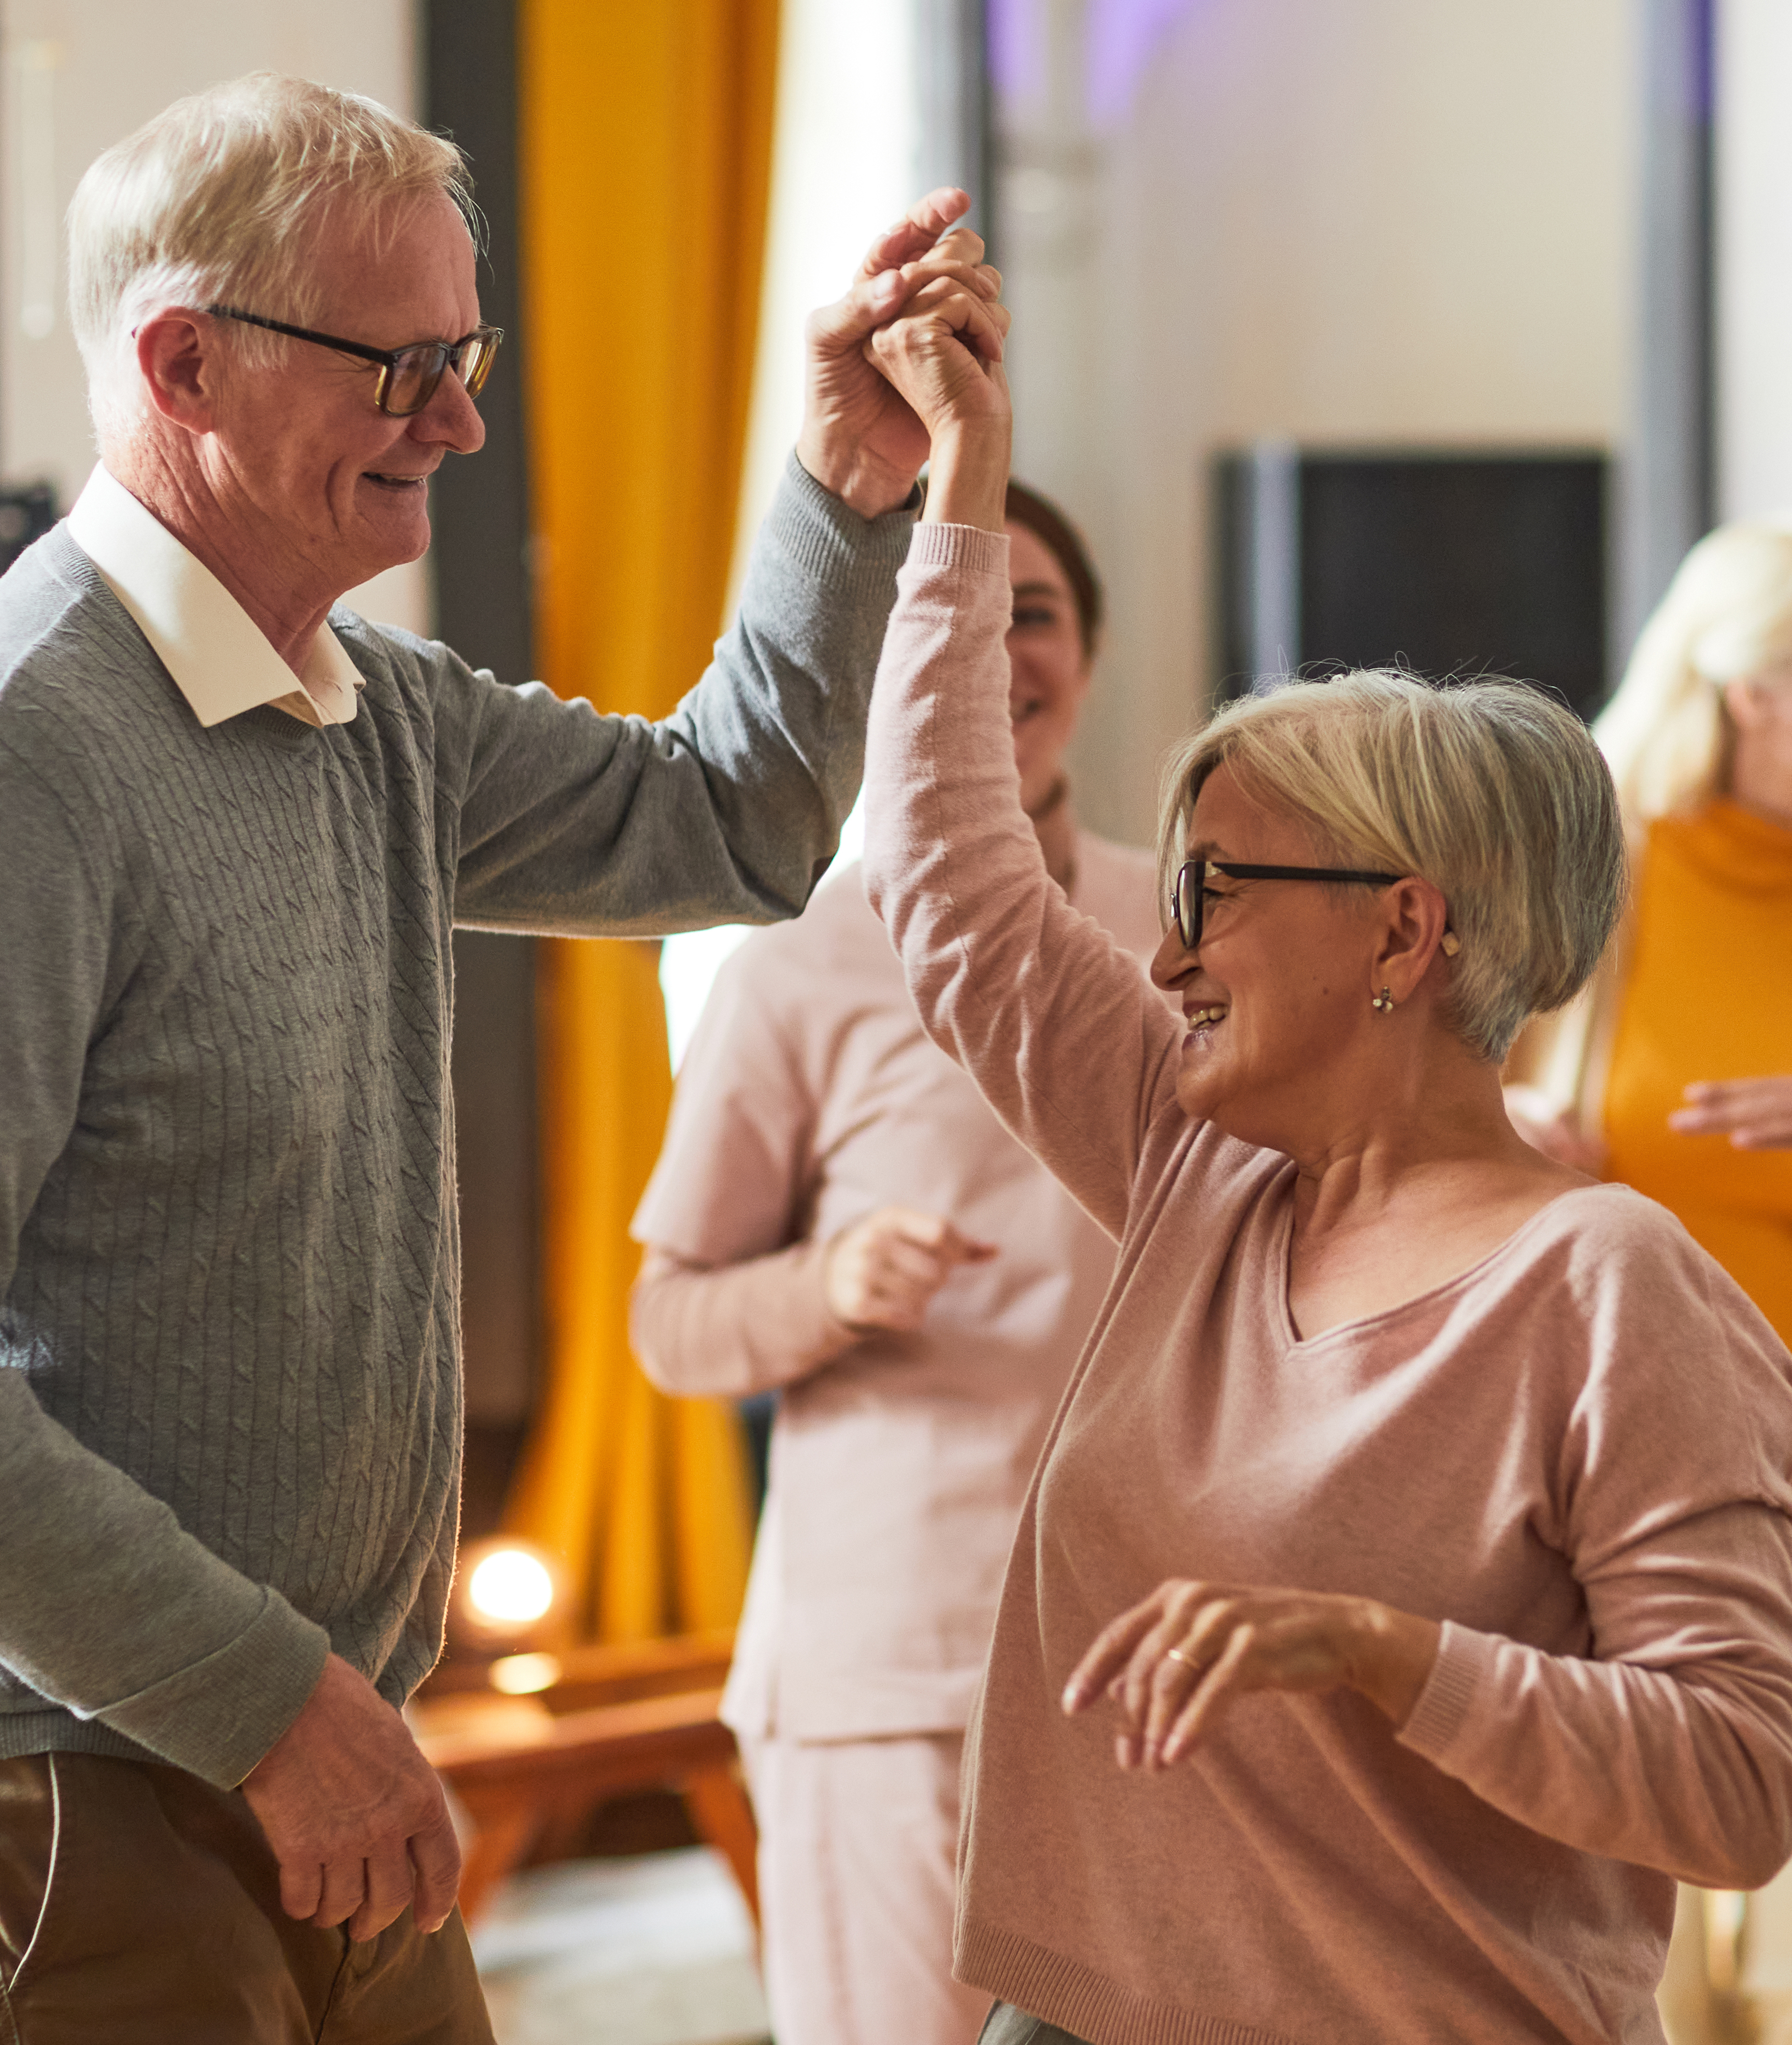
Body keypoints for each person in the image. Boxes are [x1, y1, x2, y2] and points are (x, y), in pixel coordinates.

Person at [0, 72, 1005, 2044]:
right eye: (403, 366)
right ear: (185, 363)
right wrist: (272, 1707)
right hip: (63, 1802)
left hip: (303, 1752)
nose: (462, 422)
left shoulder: (375, 712)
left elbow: (733, 823)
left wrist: (843, 484)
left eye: (467, 356)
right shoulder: (4, 763)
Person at [843, 276, 1792, 2042]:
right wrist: (957, 487)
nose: (1165, 952)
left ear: (1401, 931)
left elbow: (1739, 1779)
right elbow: (952, 880)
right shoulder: (1195, 1165)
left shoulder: (1607, 1284)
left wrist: (1382, 1653)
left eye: (1212, 891)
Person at [630, 480, 1157, 2045]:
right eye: (954, 614)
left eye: (1032, 614)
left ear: (1089, 656)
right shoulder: (798, 958)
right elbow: (670, 1321)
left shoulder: (1189, 931)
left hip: (1160, 1656)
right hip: (896, 1669)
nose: (996, 651)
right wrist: (830, 1284)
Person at [1507, 523, 1792, 2040]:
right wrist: (1504, 1128)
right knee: (1645, 1939)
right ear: (1750, 693)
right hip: (1635, 1471)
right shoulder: (1590, 877)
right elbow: (1405, 1096)